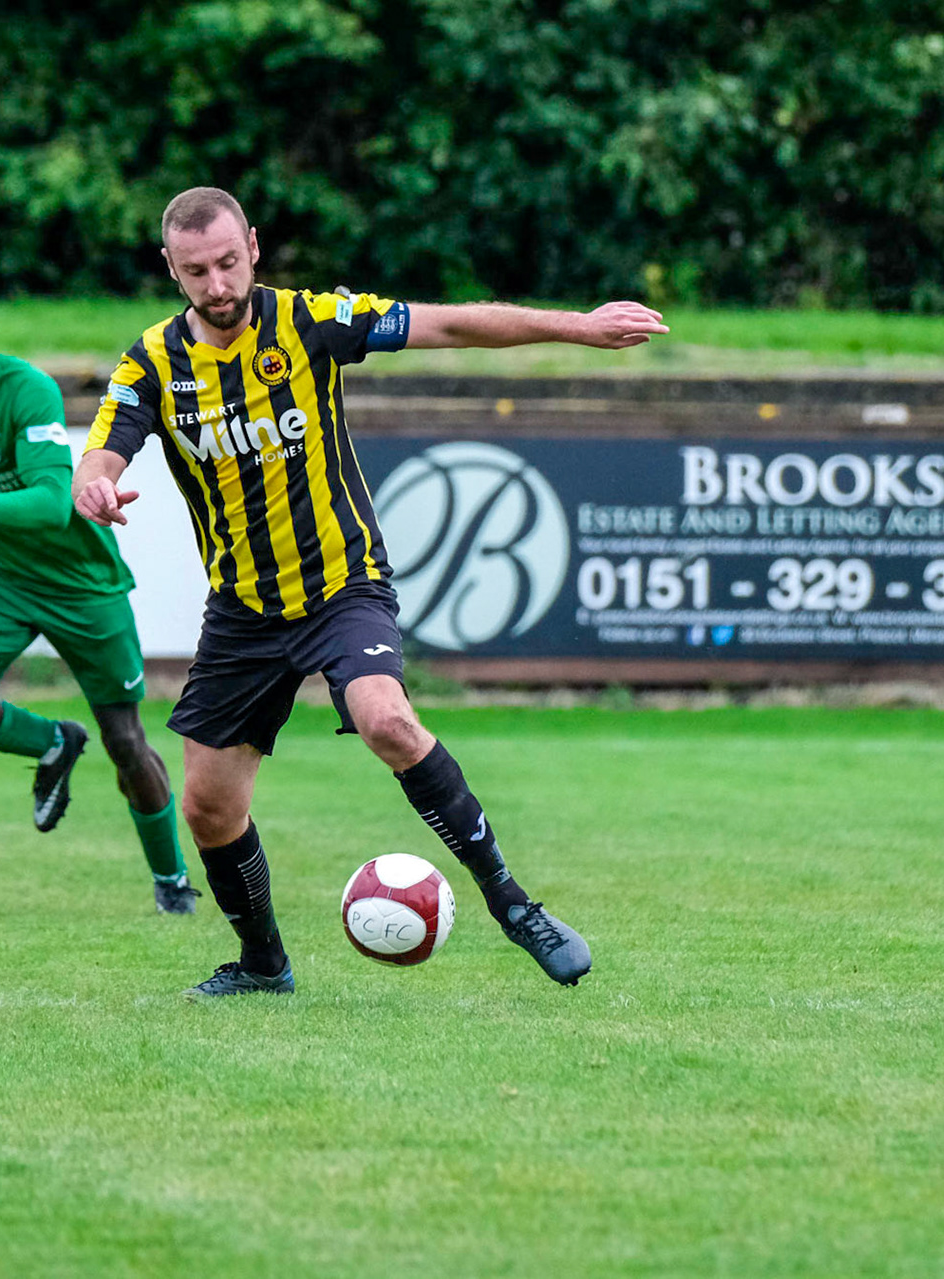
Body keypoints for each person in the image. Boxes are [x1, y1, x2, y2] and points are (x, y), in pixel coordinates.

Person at [73, 187, 668, 998]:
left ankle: (514, 905)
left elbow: (447, 325)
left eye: (228, 262)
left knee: (387, 718)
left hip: (342, 586)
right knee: (208, 809)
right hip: (243, 611)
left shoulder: (310, 321)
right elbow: (104, 449)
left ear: (253, 246)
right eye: (196, 271)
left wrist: (579, 326)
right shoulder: (151, 362)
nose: (217, 285)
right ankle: (263, 964)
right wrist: (94, 484)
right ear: (170, 269)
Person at [0, 273, 199, 914]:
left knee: (126, 742)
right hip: (0, 572)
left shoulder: (28, 390)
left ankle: (172, 881)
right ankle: (54, 742)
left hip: (80, 581)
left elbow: (53, 503)